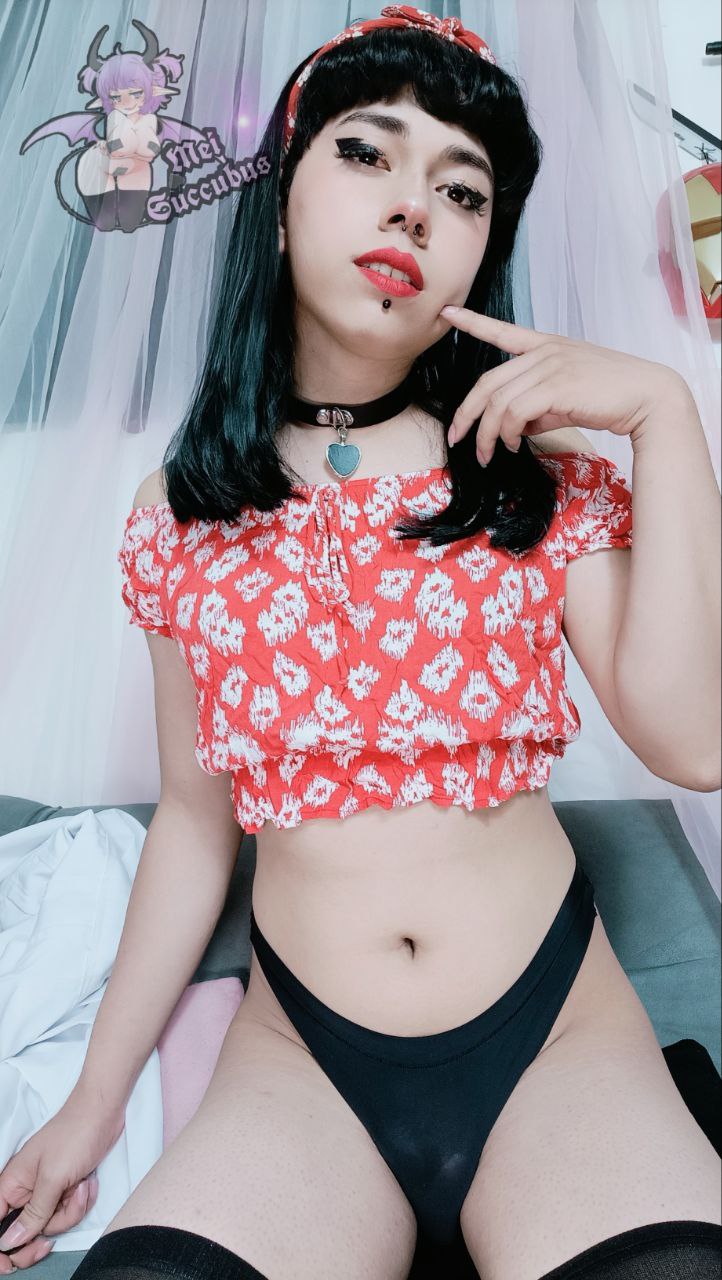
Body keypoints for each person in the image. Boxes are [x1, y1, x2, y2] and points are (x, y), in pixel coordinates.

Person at [1, 7, 720, 1278]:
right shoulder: (181, 511)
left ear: (481, 252)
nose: (411, 208)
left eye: (461, 189)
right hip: (303, 1065)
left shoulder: (532, 478)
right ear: (278, 207)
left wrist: (664, 413)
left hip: (557, 1039)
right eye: (365, 152)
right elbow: (193, 823)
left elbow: (696, 743)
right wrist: (91, 1106)